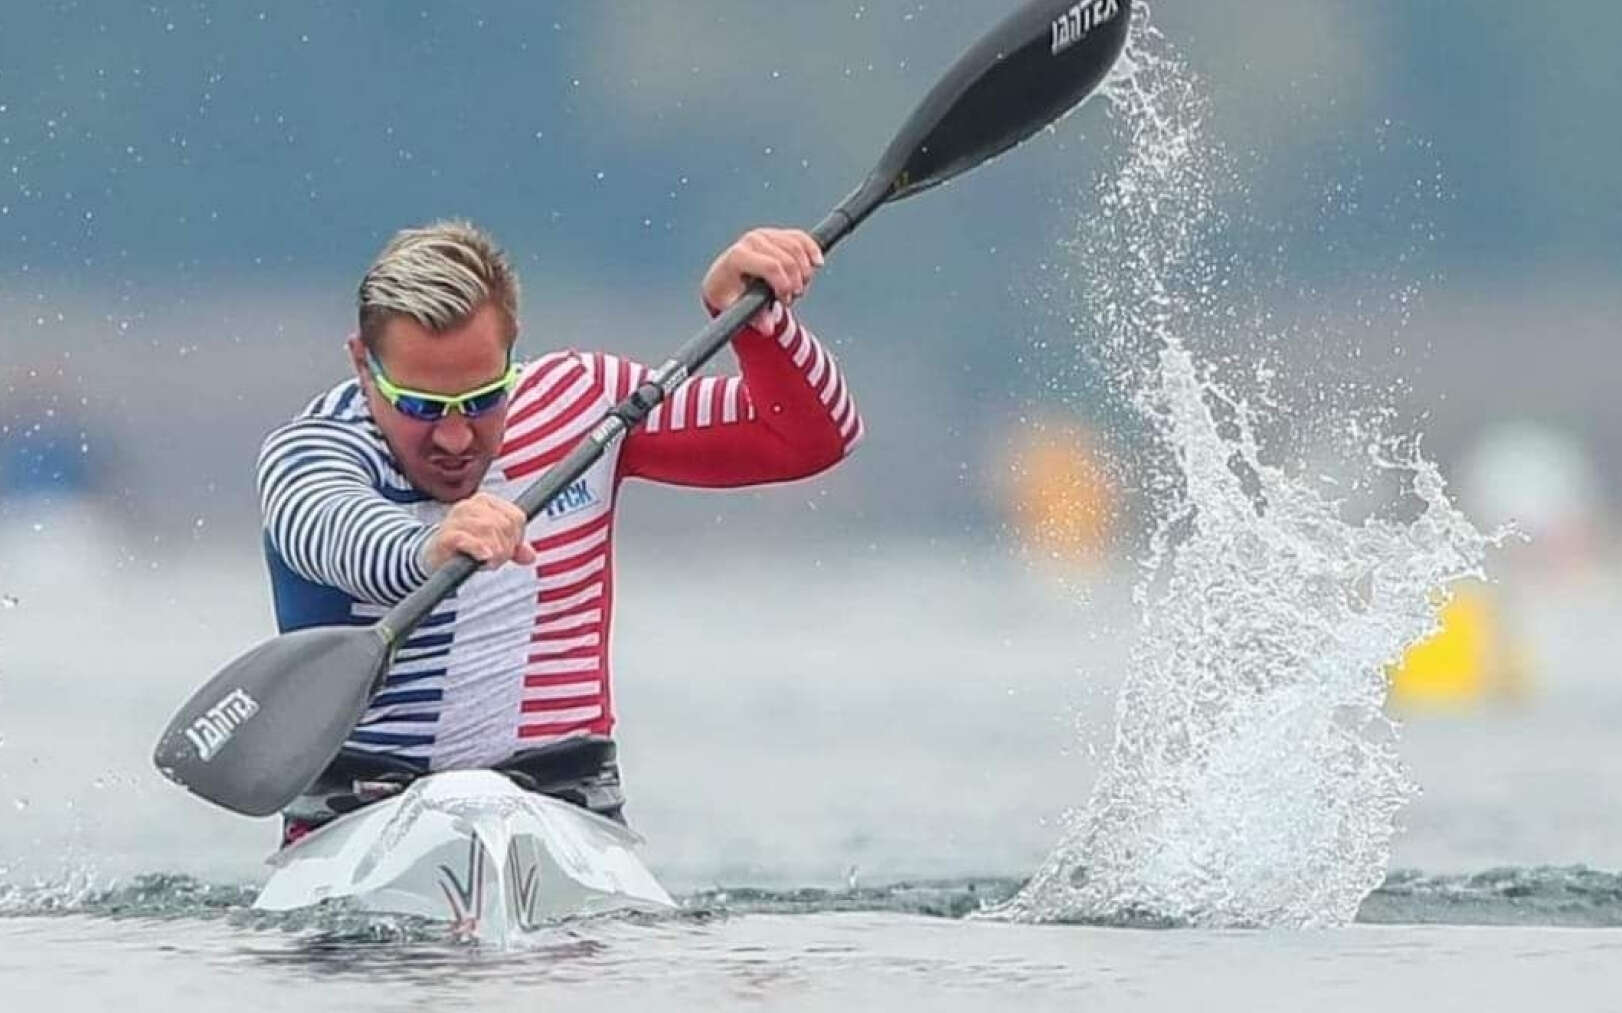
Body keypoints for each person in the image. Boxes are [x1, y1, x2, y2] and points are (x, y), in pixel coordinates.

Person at [258, 221, 861, 843]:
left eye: (484, 397)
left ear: (513, 349)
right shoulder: (315, 448)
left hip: (568, 816)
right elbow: (327, 526)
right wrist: (428, 545)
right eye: (420, 406)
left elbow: (813, 439)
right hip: (362, 818)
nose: (456, 437)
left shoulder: (583, 404)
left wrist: (757, 324)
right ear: (363, 363)